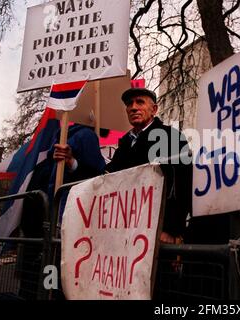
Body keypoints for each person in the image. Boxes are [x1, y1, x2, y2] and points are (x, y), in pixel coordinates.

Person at [54, 87, 192, 244]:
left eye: (140, 102)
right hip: (127, 230)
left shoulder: (170, 136)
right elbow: (105, 178)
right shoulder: (126, 143)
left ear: (154, 109)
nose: (133, 107)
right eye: (129, 104)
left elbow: (183, 183)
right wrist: (72, 161)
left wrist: (171, 229)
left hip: (157, 229)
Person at [19, 124, 106, 299]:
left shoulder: (83, 136)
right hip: (48, 222)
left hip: (61, 221)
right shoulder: (63, 137)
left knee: (55, 278)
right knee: (47, 278)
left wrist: (72, 162)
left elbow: (96, 177)